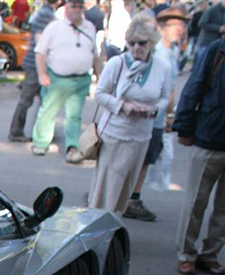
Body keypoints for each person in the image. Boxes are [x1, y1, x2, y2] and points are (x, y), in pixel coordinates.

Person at [88, 17, 172, 214]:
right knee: (106, 186)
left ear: (152, 43)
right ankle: (96, 225)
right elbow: (100, 93)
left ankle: (115, 226)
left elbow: (165, 97)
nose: (136, 47)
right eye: (131, 42)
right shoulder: (117, 63)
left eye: (142, 43)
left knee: (126, 186)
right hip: (114, 134)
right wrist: (122, 106)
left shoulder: (162, 67)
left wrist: (153, 110)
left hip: (141, 136)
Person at [124, 5, 187, 220]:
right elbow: (157, 88)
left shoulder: (171, 51)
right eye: (175, 25)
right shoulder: (157, 53)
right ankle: (129, 198)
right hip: (149, 118)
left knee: (146, 159)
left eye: (182, 25)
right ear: (162, 28)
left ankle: (131, 196)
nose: (180, 29)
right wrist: (168, 112)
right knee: (137, 159)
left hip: (157, 117)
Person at [173, 35, 225, 275]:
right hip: (209, 137)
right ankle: (186, 253)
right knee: (196, 201)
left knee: (223, 208)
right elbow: (193, 87)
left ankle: (210, 254)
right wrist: (184, 125)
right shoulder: (216, 51)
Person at [30, 0, 102, 162]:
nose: (77, 9)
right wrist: (42, 74)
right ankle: (41, 142)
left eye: (79, 6)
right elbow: (40, 52)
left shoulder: (89, 27)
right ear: (66, 8)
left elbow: (95, 55)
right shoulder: (54, 27)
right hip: (57, 78)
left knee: (74, 115)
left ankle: (72, 146)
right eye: (73, 6)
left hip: (81, 79)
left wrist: (101, 77)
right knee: (48, 111)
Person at [8, 0, 59, 142]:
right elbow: (40, 41)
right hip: (36, 65)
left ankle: (42, 132)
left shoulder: (45, 13)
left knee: (44, 100)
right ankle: (17, 131)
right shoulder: (46, 15)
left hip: (37, 64)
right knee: (27, 99)